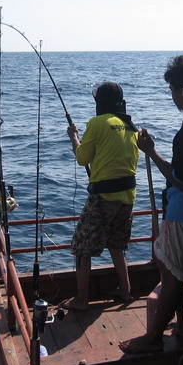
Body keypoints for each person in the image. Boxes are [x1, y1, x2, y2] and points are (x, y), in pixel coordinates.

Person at [119, 55, 183, 353]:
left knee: (169, 268)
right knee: (171, 266)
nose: (173, 96)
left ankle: (152, 339)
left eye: (173, 90)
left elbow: (181, 181)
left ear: (182, 90)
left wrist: (150, 152)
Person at [60, 82, 139, 311]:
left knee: (82, 247)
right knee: (116, 244)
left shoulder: (96, 123)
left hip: (104, 197)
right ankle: (126, 290)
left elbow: (83, 158)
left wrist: (74, 137)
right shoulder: (130, 125)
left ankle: (82, 299)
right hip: (128, 197)